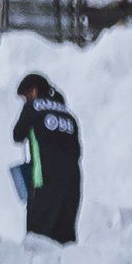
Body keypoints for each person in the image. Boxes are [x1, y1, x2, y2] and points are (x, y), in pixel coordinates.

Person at [12, 72, 82, 244]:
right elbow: (77, 151)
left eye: (25, 96)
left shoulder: (33, 106)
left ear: (33, 91)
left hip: (44, 181)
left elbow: (17, 135)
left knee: (38, 241)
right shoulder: (68, 114)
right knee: (65, 240)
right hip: (72, 183)